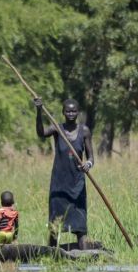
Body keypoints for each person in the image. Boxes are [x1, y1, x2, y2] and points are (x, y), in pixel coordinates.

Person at [34, 97, 94, 250]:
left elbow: (91, 157)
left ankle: (83, 256)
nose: (71, 113)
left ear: (78, 112)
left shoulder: (84, 131)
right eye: (68, 111)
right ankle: (52, 255)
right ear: (63, 112)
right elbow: (41, 133)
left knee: (80, 226)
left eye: (74, 111)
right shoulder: (57, 128)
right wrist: (39, 111)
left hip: (77, 184)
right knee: (55, 225)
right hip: (59, 184)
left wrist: (88, 164)